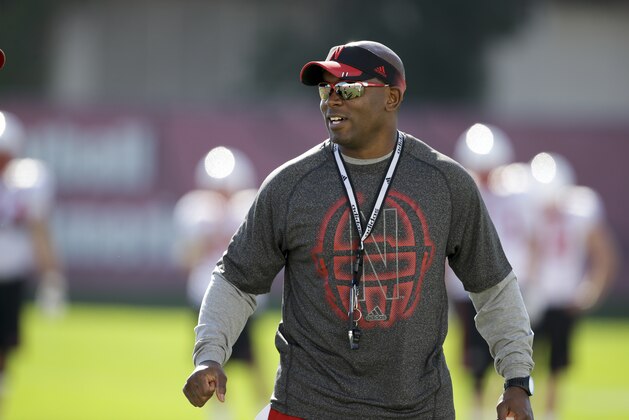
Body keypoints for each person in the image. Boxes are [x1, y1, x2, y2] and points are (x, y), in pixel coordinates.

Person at [182, 40, 534, 420]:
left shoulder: (445, 183)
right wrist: (210, 354)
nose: (332, 101)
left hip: (417, 410)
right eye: (326, 89)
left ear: (392, 97)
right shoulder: (290, 184)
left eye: (347, 89)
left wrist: (517, 379)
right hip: (306, 406)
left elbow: (493, 287)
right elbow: (235, 280)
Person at [449, 123, 538, 419]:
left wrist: (535, 279)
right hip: (467, 285)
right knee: (473, 356)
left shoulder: (518, 194)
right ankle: (478, 408)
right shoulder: (462, 192)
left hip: (507, 281)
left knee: (513, 344)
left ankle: (506, 398)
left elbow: (533, 239)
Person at [173, 146, 269, 419]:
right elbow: (185, 259)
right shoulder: (196, 214)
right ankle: (218, 413)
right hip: (205, 294)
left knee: (252, 359)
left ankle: (261, 409)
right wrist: (207, 238)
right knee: (209, 359)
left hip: (242, 297)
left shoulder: (249, 209)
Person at [526, 152, 619, 420]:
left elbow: (605, 255)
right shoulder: (529, 208)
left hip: (564, 300)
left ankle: (549, 414)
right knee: (520, 362)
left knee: (556, 366)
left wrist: (589, 291)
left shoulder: (581, 209)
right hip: (534, 296)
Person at [0, 110, 67, 413]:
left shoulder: (27, 182)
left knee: (5, 345)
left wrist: (51, 276)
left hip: (11, 274)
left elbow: (40, 232)